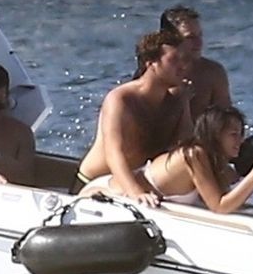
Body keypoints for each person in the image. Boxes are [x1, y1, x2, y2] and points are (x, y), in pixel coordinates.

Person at [76, 28, 193, 200]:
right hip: (96, 181)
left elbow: (185, 145)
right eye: (174, 60)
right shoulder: (121, 99)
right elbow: (114, 153)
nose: (182, 66)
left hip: (138, 178)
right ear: (150, 63)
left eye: (184, 60)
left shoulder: (177, 100)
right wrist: (136, 192)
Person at [139, 105, 253, 214]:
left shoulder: (214, 160)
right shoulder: (195, 155)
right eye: (233, 134)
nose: (240, 140)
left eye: (241, 134)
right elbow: (219, 206)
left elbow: (228, 194)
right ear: (215, 134)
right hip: (134, 199)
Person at [160, 5, 232, 114]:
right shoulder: (153, 74)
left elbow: (225, 118)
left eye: (200, 36)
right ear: (169, 38)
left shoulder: (212, 73)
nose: (199, 43)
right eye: (190, 37)